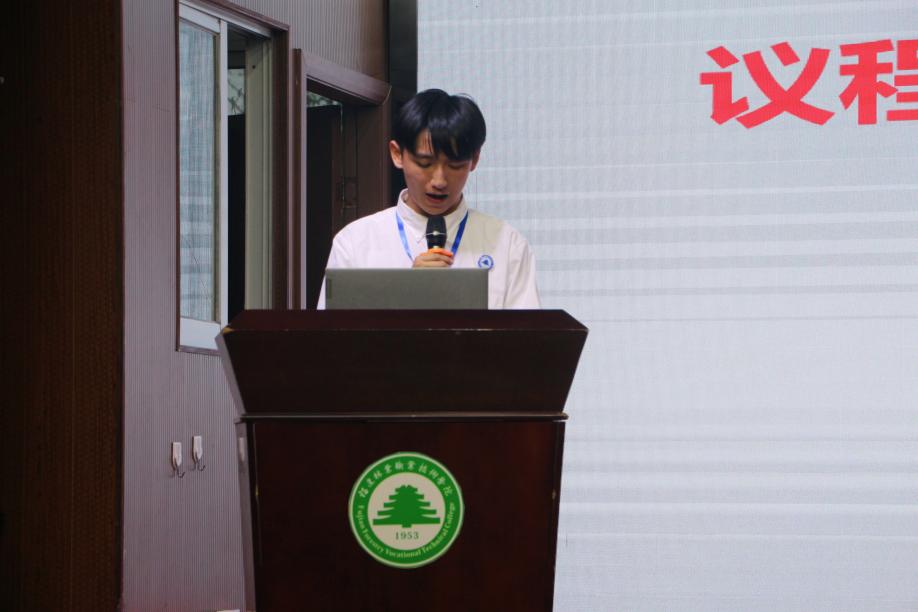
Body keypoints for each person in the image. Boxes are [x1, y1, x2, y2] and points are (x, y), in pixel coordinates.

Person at [318, 88, 540, 309]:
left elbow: (528, 331)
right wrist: (407, 294)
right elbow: (333, 331)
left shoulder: (507, 244)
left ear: (474, 160)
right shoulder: (356, 243)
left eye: (455, 165)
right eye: (425, 164)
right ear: (397, 154)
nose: (439, 181)